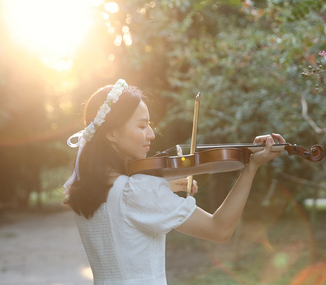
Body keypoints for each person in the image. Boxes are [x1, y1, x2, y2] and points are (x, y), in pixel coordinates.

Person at [63, 79, 285, 284]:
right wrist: (251, 168)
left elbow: (120, 215)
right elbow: (219, 229)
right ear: (111, 134)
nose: (151, 134)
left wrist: (163, 186)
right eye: (141, 126)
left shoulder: (86, 189)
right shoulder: (138, 190)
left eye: (149, 124)